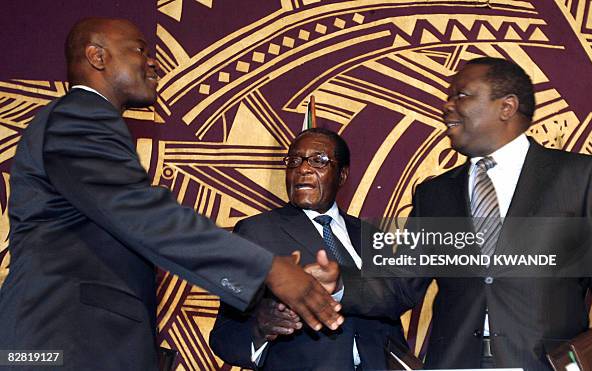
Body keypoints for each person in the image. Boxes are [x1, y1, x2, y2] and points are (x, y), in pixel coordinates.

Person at [0, 17, 342, 370]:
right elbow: (142, 213)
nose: (152, 62)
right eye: (139, 49)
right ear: (97, 57)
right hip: (61, 346)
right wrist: (270, 270)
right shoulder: (79, 116)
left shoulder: (81, 124)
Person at [342, 57, 592, 370]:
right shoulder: (435, 194)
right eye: (448, 96)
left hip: (543, 363)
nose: (447, 106)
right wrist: (335, 285)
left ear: (506, 107)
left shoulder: (579, 177)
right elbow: (398, 285)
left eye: (462, 95)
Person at [210, 128, 412, 370]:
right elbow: (225, 335)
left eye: (319, 161)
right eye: (294, 161)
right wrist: (261, 327)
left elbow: (393, 306)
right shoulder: (256, 232)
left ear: (342, 175)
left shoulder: (371, 235)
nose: (303, 169)